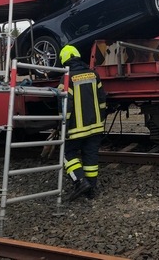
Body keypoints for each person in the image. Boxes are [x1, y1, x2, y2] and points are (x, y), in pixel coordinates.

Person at [58, 45, 107, 201]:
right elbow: (102, 100)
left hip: (76, 129)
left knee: (67, 154)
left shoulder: (67, 77)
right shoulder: (94, 74)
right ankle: (91, 190)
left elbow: (65, 105)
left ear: (64, 60)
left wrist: (63, 126)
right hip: (96, 126)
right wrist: (101, 119)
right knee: (90, 156)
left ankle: (79, 181)